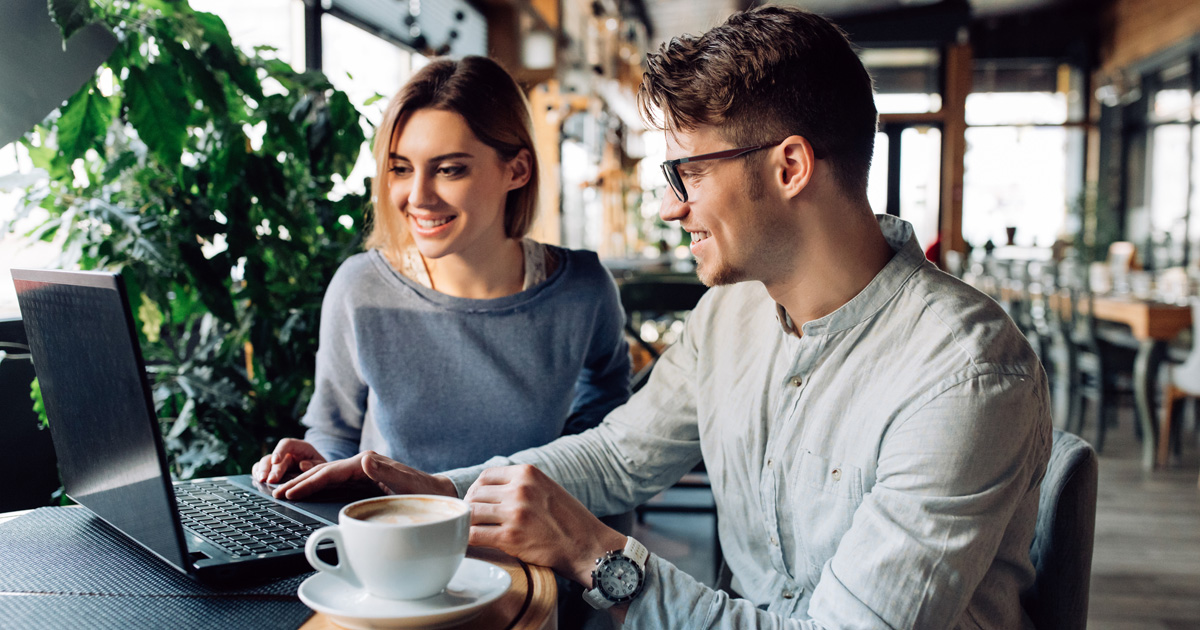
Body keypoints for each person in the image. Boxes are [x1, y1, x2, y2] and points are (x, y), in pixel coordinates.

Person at [274, 6, 1052, 629]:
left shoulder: (966, 376)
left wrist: (596, 552)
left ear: (789, 167)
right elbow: (617, 456)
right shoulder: (728, 317)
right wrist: (434, 495)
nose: (671, 206)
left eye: (686, 172)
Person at [252, 56, 631, 487]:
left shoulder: (582, 290)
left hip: (527, 550)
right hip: (394, 540)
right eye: (400, 168)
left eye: (449, 170)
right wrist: (313, 467)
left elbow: (603, 447)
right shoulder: (361, 287)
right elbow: (335, 434)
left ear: (517, 169)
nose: (418, 197)